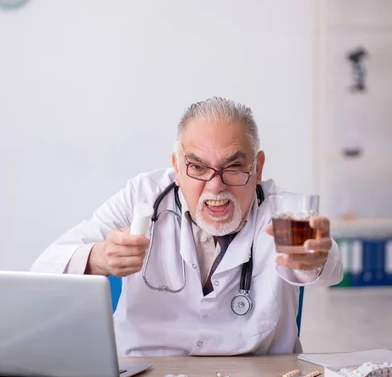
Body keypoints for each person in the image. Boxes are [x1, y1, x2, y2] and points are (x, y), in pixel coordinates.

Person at [31, 97, 343, 356]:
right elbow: (44, 268)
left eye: (233, 167)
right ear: (177, 167)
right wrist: (99, 256)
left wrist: (314, 260)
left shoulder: (284, 212)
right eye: (197, 167)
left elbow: (330, 269)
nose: (215, 186)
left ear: (257, 167)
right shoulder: (142, 196)